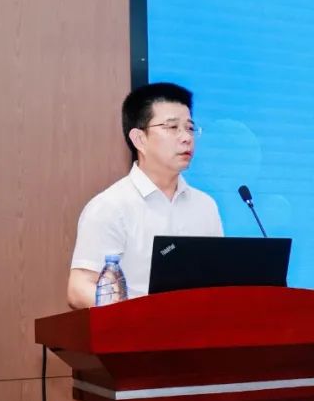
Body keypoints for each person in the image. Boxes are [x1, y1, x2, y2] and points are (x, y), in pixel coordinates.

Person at [67, 83, 223, 308]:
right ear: (139, 139)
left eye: (189, 128)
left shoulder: (205, 206)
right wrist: (141, 314)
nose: (186, 138)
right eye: (172, 127)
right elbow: (79, 289)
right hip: (137, 328)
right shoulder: (110, 207)